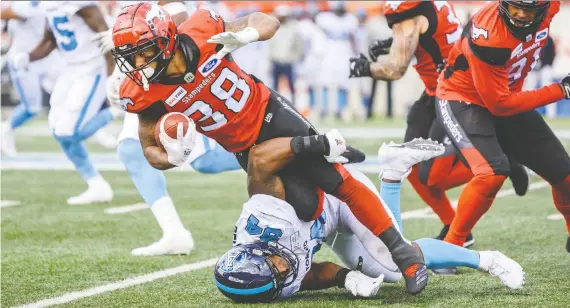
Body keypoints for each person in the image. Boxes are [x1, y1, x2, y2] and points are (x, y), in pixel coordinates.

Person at [111, 3, 430, 293]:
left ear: (166, 38)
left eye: (143, 50)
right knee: (305, 205)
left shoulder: (201, 29)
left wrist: (247, 34)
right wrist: (171, 157)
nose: (137, 63)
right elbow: (149, 147)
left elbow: (265, 21)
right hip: (243, 148)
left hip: (270, 115)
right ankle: (331, 171)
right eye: (130, 55)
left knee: (334, 180)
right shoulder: (143, 90)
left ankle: (404, 253)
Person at [213, 137, 525, 303]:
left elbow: (259, 159)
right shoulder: (271, 282)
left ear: (258, 252)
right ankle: (393, 171)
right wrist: (344, 278)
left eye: (275, 267)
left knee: (392, 261)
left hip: (340, 194)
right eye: (278, 275)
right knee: (388, 272)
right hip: (329, 228)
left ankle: (487, 260)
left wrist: (313, 144)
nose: (285, 269)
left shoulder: (266, 214)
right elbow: (307, 276)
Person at [348, 0, 529, 245]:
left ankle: (502, 160)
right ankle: (453, 226)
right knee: (408, 164)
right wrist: (395, 42)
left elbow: (395, 69)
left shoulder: (408, 11)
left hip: (455, 94)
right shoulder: (424, 7)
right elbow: (437, 36)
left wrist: (364, 68)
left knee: (434, 178)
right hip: (435, 89)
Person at [94, 0, 241, 256]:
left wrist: (135, 41)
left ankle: (271, 152)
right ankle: (174, 233)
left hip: (173, 71)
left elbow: (179, 15)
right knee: (131, 149)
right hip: (146, 74)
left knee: (206, 161)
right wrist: (121, 70)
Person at [433, 1, 570, 251]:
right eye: (515, 5)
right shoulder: (490, 35)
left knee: (565, 175)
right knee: (490, 175)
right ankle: (451, 246)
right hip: (463, 99)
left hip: (504, 94)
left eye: (527, 9)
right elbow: (500, 106)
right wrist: (560, 90)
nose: (519, 14)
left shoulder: (549, 8)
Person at [11, 1, 117, 205]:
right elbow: (50, 41)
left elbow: (106, 36)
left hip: (91, 68)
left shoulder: (80, 3)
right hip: (70, 69)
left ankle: (116, 111)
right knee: (57, 130)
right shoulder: (48, 4)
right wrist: (27, 57)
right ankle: (96, 184)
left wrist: (112, 77)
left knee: (70, 131)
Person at [1, 1, 63, 157]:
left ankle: (90, 128)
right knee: (32, 108)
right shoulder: (29, 3)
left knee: (73, 87)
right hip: (24, 58)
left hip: (48, 55)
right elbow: (5, 12)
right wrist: (18, 17)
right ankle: (6, 130)